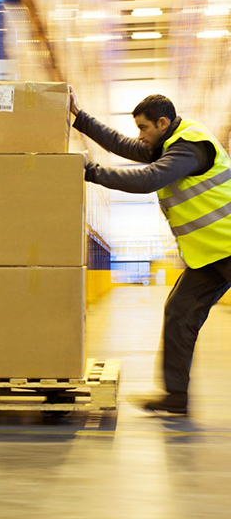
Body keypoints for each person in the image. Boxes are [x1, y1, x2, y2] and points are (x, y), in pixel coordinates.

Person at [69, 86, 231, 415]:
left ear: (162, 123)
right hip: (211, 256)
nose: (139, 136)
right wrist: (78, 116)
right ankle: (176, 397)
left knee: (179, 311)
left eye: (143, 128)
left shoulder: (190, 146)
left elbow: (149, 179)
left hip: (227, 247)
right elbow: (123, 145)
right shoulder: (166, 144)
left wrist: (91, 172)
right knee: (179, 312)